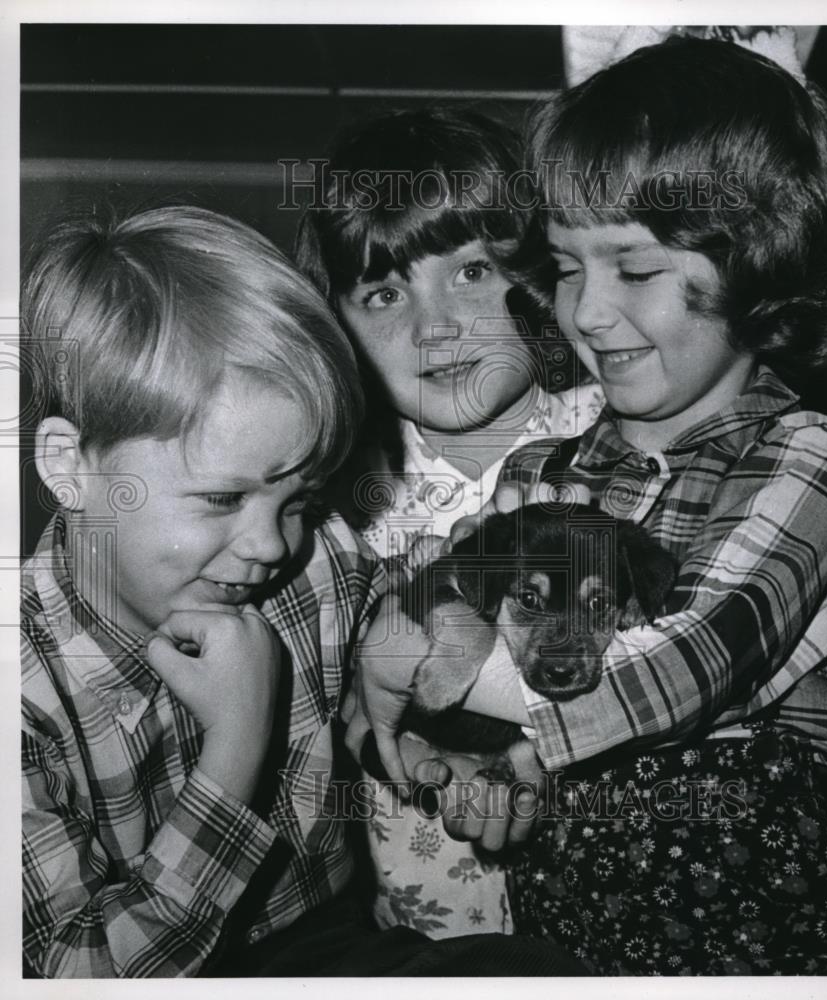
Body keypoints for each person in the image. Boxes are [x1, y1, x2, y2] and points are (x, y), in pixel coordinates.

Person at [345, 37, 827, 974]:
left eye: (631, 269)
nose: (583, 312)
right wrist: (485, 770)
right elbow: (467, 614)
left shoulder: (809, 457)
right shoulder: (544, 470)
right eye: (567, 267)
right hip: (569, 922)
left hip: (751, 917)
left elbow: (692, 663)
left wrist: (442, 662)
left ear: (756, 263)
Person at [20, 205, 587, 977]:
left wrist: (445, 755)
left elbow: (365, 707)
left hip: (326, 938)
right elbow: (61, 974)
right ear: (71, 467)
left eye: (297, 500)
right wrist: (236, 747)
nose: (270, 544)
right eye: (222, 499)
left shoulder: (315, 564)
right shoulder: (21, 700)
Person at [295, 107, 603, 939]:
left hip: (623, 903)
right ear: (337, 327)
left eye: (469, 273)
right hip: (429, 916)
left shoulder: (618, 436)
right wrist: (432, 767)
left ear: (541, 274)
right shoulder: (333, 505)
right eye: (385, 292)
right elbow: (328, 709)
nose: (433, 328)